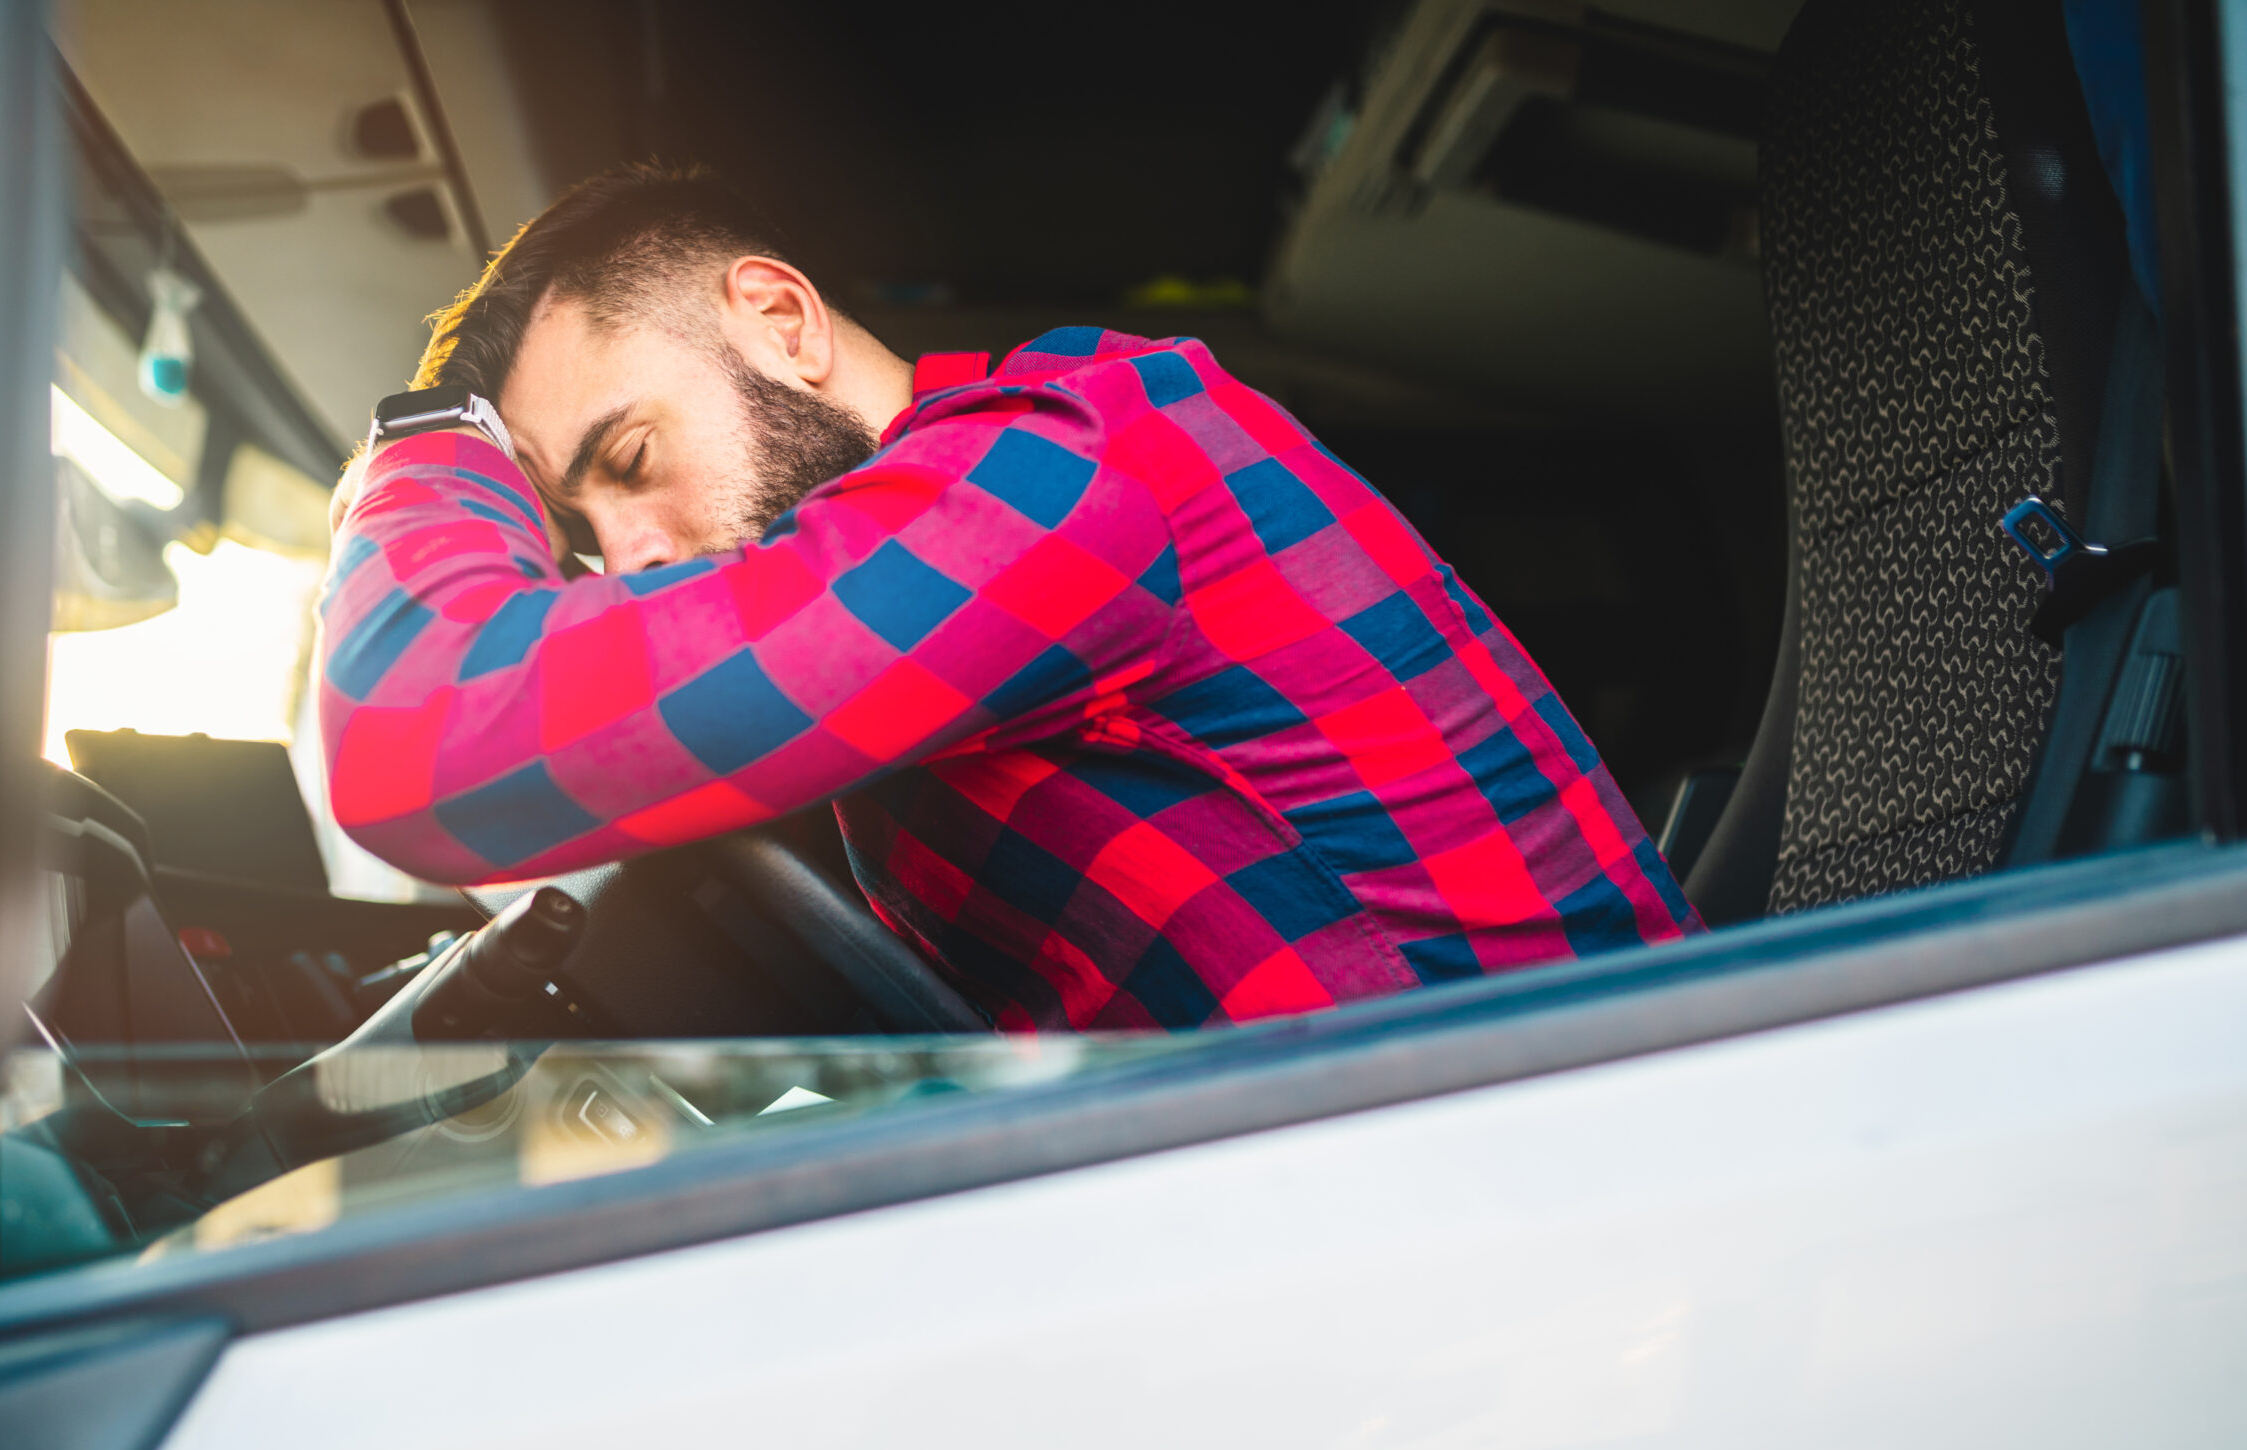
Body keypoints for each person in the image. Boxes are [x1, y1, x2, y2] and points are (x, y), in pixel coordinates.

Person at [320, 164, 1699, 1031]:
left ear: (781, 323)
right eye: (582, 533)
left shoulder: (1056, 466)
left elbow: (426, 737)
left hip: (1542, 1206)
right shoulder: (936, 599)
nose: (629, 560)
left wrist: (426, 437)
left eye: (630, 461)